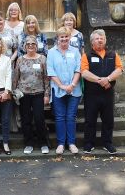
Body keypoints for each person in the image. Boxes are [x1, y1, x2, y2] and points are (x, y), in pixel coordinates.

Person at [81, 29, 123, 155]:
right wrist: (100, 80)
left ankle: (107, 143)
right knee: (90, 120)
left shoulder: (113, 54)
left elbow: (120, 69)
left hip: (108, 94)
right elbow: (84, 73)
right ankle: (89, 143)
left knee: (108, 120)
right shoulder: (86, 56)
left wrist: (108, 79)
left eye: (102, 38)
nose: (100, 40)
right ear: (92, 41)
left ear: (105, 40)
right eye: (97, 38)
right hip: (91, 94)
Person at [47, 27, 82, 155]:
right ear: (57, 38)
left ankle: (71, 143)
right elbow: (50, 71)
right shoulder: (51, 52)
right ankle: (61, 144)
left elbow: (78, 69)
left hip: (74, 89)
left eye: (66, 36)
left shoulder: (75, 51)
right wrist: (62, 86)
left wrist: (72, 84)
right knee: (60, 117)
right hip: (58, 89)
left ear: (69, 37)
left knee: (71, 117)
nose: (64, 39)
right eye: (61, 37)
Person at [13, 35, 50, 154]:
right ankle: (28, 143)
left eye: (33, 44)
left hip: (39, 93)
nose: (30, 46)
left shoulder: (42, 58)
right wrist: (14, 92)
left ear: (36, 46)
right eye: (28, 44)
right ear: (24, 46)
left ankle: (43, 143)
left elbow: (46, 78)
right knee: (26, 119)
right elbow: (15, 78)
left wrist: (47, 94)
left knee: (39, 119)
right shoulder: (20, 59)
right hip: (24, 94)